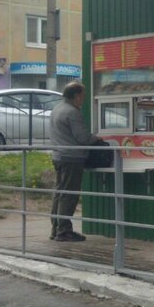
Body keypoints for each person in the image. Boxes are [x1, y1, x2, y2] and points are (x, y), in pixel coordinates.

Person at [50, 81, 96, 242]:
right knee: (69, 195)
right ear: (76, 96)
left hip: (58, 156)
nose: (84, 98)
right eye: (83, 95)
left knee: (60, 193)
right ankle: (64, 231)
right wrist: (96, 138)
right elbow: (82, 138)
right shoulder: (72, 112)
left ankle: (56, 228)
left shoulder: (57, 108)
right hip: (72, 158)